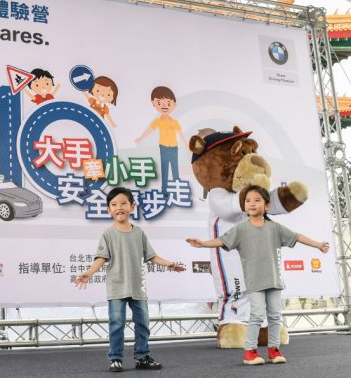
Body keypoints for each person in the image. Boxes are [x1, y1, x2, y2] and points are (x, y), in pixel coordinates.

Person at [186, 184, 329, 366]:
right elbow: (221, 241)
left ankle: (274, 350)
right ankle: (250, 352)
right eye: (248, 201)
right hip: (254, 282)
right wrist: (202, 243)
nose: (252, 204)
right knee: (256, 316)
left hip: (274, 281)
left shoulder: (274, 228)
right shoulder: (240, 229)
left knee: (275, 316)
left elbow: (297, 236)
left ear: (266, 206)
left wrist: (318, 245)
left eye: (257, 200)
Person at [74, 187, 185, 372]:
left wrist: (169, 264)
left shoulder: (139, 233)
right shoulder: (108, 234)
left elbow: (151, 256)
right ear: (108, 209)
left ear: (132, 207)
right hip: (117, 287)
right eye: (114, 204)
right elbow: (101, 258)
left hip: (137, 287)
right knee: (116, 324)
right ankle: (115, 358)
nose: (119, 207)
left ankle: (142, 357)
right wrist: (89, 273)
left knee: (143, 323)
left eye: (124, 203)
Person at [134, 86, 188, 195]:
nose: (164, 106)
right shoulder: (158, 121)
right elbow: (149, 130)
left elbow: (181, 134)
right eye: (159, 103)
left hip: (174, 148)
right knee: (165, 169)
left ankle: (177, 189)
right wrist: (140, 138)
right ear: (154, 104)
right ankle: (164, 191)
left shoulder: (175, 122)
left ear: (174, 105)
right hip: (163, 148)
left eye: (168, 103)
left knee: (175, 170)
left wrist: (187, 145)